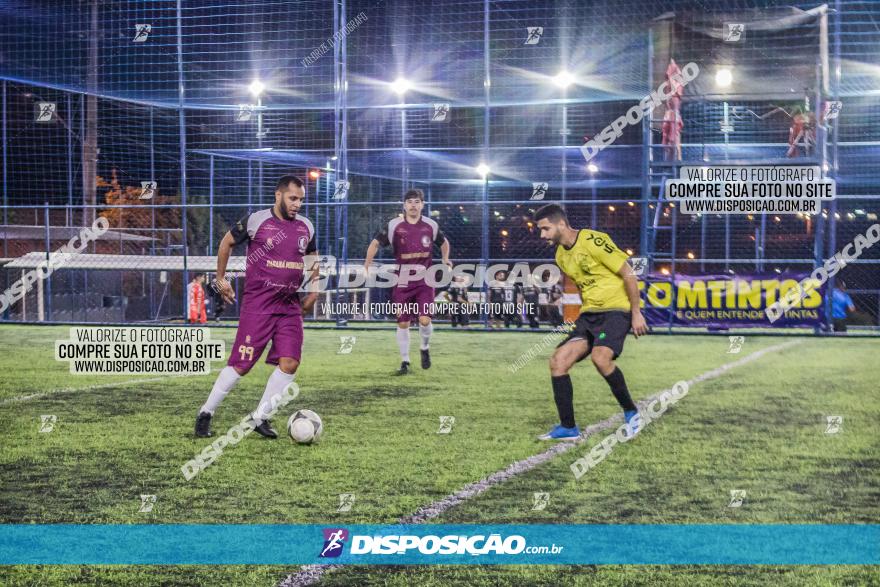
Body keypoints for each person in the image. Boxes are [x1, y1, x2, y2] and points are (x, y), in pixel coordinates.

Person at [194, 175, 319, 439]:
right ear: (278, 196)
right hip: (258, 304)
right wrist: (220, 279)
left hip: (289, 306)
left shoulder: (306, 226)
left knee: (291, 362)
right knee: (241, 365)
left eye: (301, 200)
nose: (297, 204)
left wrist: (315, 288)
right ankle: (206, 412)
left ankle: (260, 417)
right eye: (292, 198)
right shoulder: (256, 221)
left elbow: (311, 257)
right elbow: (226, 242)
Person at [532, 204, 648, 441]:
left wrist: (636, 312)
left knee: (600, 358)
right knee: (558, 361)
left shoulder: (593, 240)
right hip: (589, 315)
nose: (542, 235)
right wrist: (584, 315)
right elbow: (584, 286)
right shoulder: (560, 256)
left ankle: (631, 412)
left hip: (616, 310)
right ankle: (568, 427)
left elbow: (628, 273)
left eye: (545, 229)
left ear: (561, 224)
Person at [363, 189, 451, 375]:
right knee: (403, 323)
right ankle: (405, 362)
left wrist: (445, 259)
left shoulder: (430, 225)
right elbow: (375, 243)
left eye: (417, 201)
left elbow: (444, 243)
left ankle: (424, 348)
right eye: (410, 201)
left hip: (425, 280)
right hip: (402, 280)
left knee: (424, 319)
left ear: (422, 205)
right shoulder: (394, 225)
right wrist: (367, 263)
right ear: (404, 205)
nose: (413, 205)